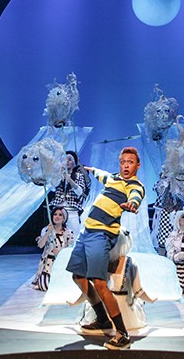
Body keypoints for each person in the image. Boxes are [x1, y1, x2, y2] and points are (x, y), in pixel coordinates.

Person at [66, 146, 145, 350]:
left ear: (137, 165)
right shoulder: (113, 178)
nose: (126, 165)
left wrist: (133, 205)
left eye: (130, 162)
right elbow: (102, 175)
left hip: (101, 234)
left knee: (99, 282)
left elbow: (135, 196)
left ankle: (122, 334)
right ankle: (102, 320)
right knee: (78, 277)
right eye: (123, 162)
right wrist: (90, 169)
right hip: (87, 232)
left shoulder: (135, 185)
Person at [79, 229, 155, 331]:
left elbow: (90, 291)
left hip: (106, 308)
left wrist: (75, 302)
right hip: (127, 315)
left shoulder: (100, 261)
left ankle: (102, 321)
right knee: (138, 302)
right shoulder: (130, 262)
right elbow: (138, 291)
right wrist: (151, 300)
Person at [31, 207, 75, 291]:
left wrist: (61, 252)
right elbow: (40, 245)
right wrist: (48, 232)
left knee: (61, 287)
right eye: (55, 214)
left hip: (61, 263)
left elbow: (70, 249)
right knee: (46, 286)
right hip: (48, 265)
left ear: (64, 218)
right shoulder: (46, 230)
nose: (57, 217)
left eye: (60, 215)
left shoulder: (68, 232)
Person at [48, 150, 89, 236]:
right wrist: (58, 176)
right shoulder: (57, 175)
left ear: (74, 163)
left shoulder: (79, 176)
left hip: (72, 211)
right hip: (58, 210)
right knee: (56, 237)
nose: (67, 162)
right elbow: (52, 188)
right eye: (64, 160)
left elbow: (79, 192)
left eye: (69, 160)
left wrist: (70, 180)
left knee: (73, 236)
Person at [152, 172, 184, 255]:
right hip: (165, 211)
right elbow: (157, 189)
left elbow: (183, 197)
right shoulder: (163, 184)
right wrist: (165, 182)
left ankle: (176, 253)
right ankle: (162, 255)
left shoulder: (180, 186)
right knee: (162, 235)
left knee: (176, 233)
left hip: (176, 212)